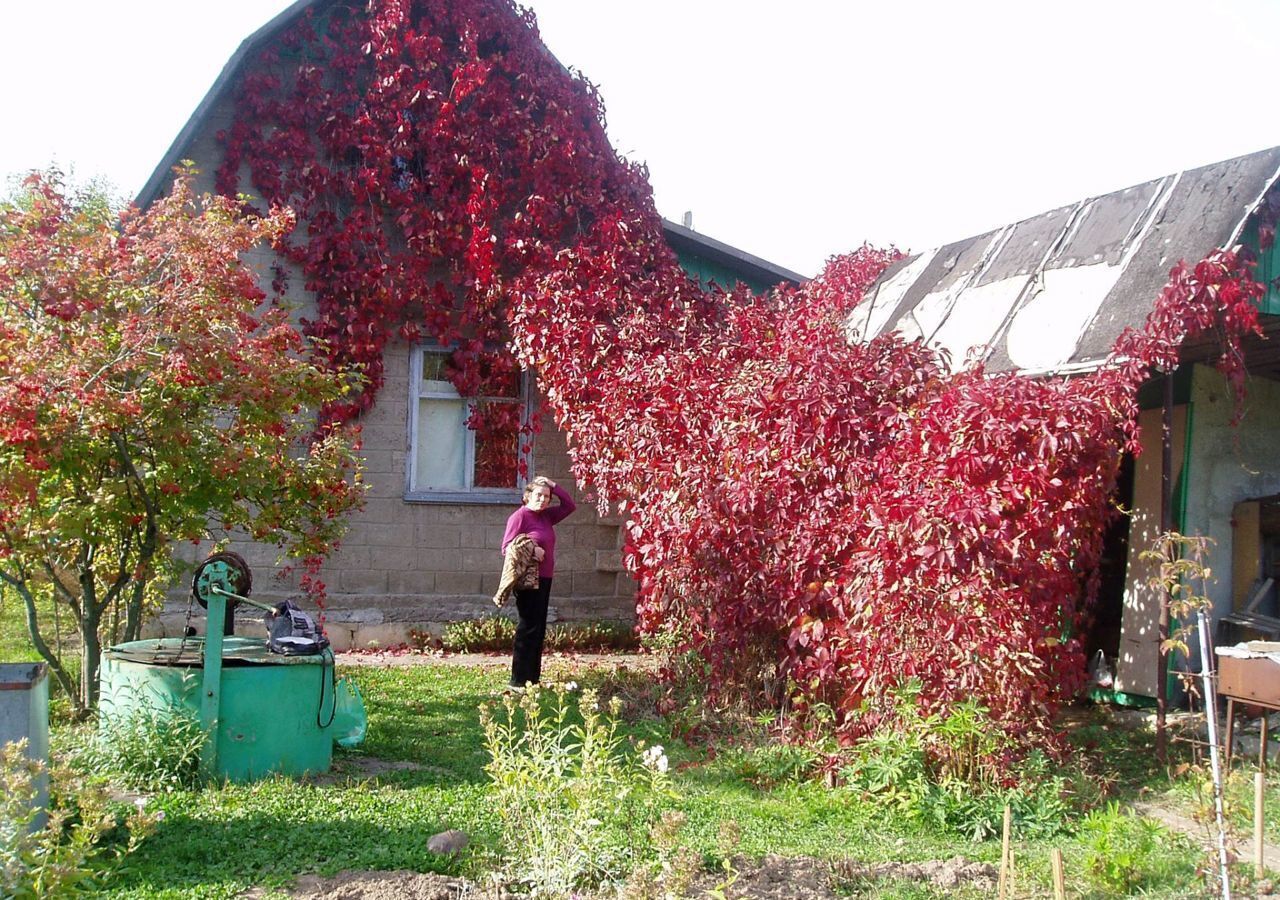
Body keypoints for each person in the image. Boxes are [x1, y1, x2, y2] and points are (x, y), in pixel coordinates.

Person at [500, 475, 576, 688]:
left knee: (539, 628)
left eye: (547, 497)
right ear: (527, 496)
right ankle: (518, 681)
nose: (543, 500)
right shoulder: (520, 517)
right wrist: (533, 549)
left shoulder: (546, 517)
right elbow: (506, 548)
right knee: (528, 627)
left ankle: (532, 679)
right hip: (527, 579)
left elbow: (570, 505)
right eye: (538, 495)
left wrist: (553, 484)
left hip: (545, 577)